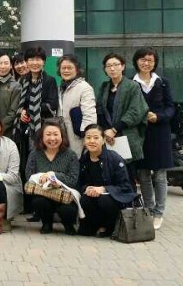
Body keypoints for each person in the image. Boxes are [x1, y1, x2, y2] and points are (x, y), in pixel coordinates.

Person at [133, 47, 174, 230]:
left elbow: (170, 107)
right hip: (140, 134)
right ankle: (148, 209)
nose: (146, 63)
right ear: (136, 61)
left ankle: (159, 212)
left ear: (155, 63)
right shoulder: (131, 83)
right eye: (143, 59)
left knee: (160, 175)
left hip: (160, 132)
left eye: (150, 60)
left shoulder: (162, 82)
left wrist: (159, 117)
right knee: (143, 174)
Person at [15, 46, 60, 212]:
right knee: (26, 166)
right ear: (27, 62)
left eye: (38, 59)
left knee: (41, 166)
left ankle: (41, 206)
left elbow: (52, 105)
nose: (35, 62)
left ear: (43, 62)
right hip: (24, 130)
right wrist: (21, 112)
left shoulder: (49, 80)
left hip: (41, 130)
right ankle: (28, 205)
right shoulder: (22, 81)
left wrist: (31, 110)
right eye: (31, 59)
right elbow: (19, 104)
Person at [95, 52, 149, 186]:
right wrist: (106, 131)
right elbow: (99, 110)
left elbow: (136, 111)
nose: (112, 68)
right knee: (109, 172)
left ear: (123, 66)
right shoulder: (104, 87)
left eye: (115, 65)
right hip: (107, 136)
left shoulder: (132, 86)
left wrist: (114, 129)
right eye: (108, 66)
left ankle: (130, 196)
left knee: (127, 173)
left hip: (126, 135)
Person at [77, 124, 137, 237]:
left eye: (96, 137)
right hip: (93, 197)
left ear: (103, 140)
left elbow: (126, 186)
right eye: (88, 137)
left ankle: (110, 226)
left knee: (104, 200)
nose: (92, 141)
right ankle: (94, 225)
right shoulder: (83, 160)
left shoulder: (114, 158)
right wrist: (88, 188)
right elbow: (79, 183)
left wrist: (104, 189)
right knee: (85, 199)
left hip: (115, 198)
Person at [24, 119, 80, 235]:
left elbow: (73, 180)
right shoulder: (35, 153)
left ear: (62, 136)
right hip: (43, 192)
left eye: (55, 134)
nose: (52, 138)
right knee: (39, 202)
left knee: (68, 210)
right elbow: (29, 176)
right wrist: (43, 179)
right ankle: (46, 223)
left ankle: (68, 225)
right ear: (42, 137)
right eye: (48, 134)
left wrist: (54, 176)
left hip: (64, 194)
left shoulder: (71, 155)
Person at [57, 55, 97, 156]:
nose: (66, 70)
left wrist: (87, 137)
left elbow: (90, 116)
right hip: (62, 138)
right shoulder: (60, 88)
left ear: (77, 69)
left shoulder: (84, 88)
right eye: (63, 68)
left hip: (78, 140)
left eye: (69, 68)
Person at [0, 52, 21, 139]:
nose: (3, 66)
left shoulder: (16, 86)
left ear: (11, 66)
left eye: (6, 63)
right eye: (0, 63)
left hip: (7, 131)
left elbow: (13, 112)